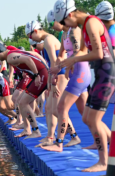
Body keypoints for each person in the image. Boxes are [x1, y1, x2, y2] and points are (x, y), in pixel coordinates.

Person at [53, 0, 115, 172]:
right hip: (101, 75)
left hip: (107, 75)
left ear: (70, 15)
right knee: (86, 117)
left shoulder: (92, 23)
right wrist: (68, 63)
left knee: (94, 119)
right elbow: (82, 50)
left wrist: (74, 59)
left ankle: (103, 162)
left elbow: (98, 53)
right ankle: (105, 143)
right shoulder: (83, 25)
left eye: (64, 22)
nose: (65, 26)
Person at [40, 9, 91, 148]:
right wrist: (56, 71)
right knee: (86, 114)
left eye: (53, 23)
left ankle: (59, 143)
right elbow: (61, 55)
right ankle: (106, 139)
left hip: (80, 73)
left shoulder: (75, 31)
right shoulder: (64, 34)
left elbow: (76, 54)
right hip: (76, 73)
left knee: (61, 107)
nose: (52, 26)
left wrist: (65, 68)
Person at [0, 42, 48, 139]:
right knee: (19, 101)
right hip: (40, 73)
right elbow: (33, 54)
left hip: (41, 75)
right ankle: (27, 129)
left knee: (23, 102)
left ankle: (35, 130)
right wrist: (45, 66)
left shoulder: (10, 56)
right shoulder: (12, 53)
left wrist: (36, 74)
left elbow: (28, 59)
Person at [26, 20, 69, 143]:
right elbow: (50, 64)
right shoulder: (48, 40)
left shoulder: (49, 40)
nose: (32, 40)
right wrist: (49, 83)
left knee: (57, 109)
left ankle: (73, 135)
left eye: (30, 36)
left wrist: (53, 83)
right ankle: (50, 136)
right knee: (49, 107)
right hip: (56, 75)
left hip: (60, 75)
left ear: (35, 31)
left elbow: (55, 62)